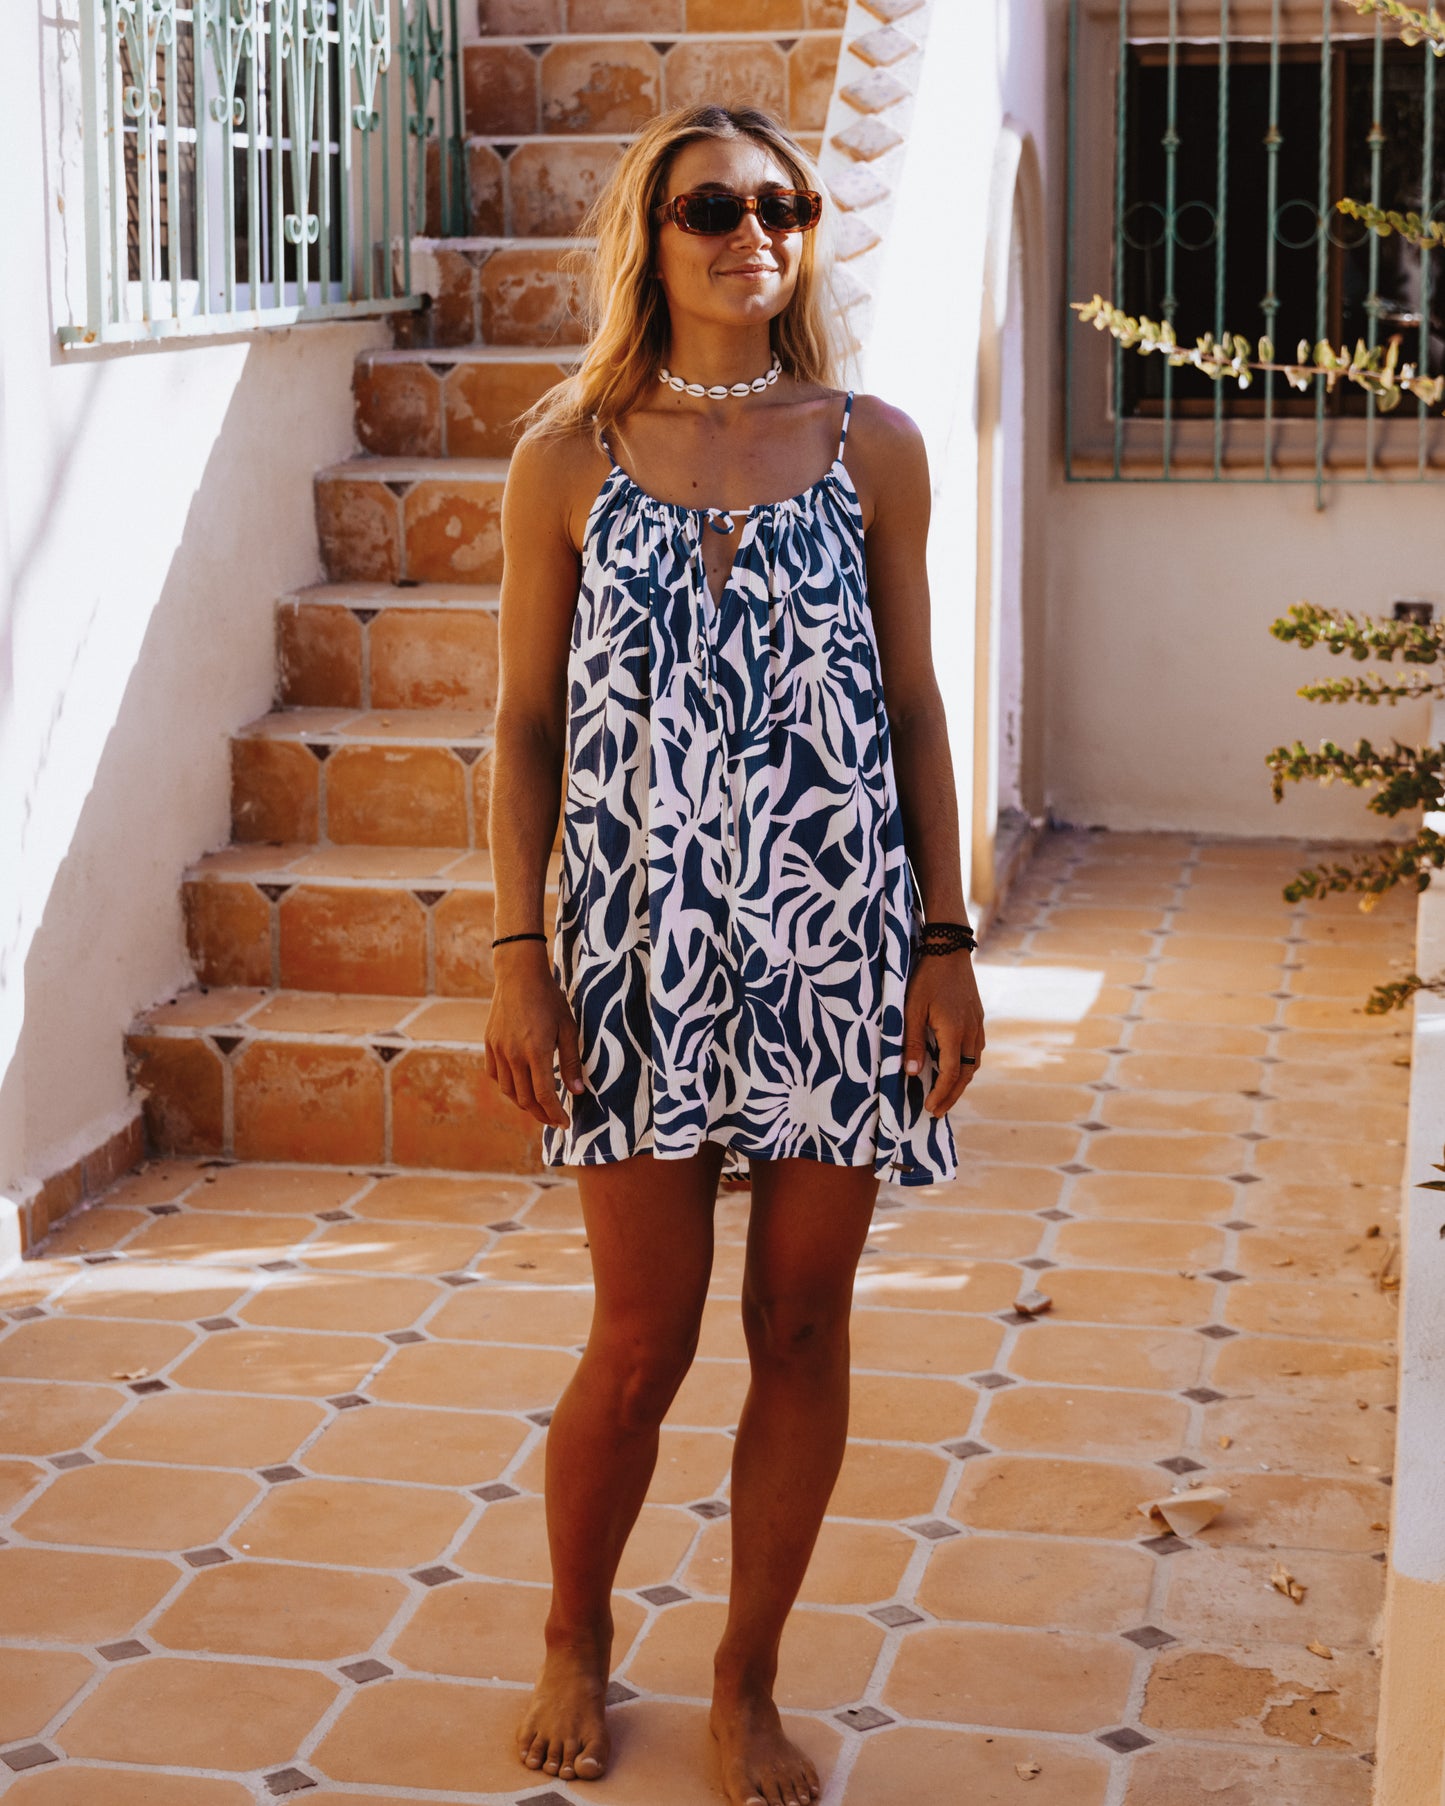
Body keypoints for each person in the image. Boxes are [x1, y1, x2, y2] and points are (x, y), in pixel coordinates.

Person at [481, 103, 986, 1806]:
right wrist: (516, 952)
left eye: (783, 204)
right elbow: (524, 726)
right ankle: (573, 1628)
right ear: (652, 232)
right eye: (711, 206)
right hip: (631, 949)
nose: (751, 231)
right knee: (641, 1337)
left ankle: (745, 1675)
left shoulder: (872, 446)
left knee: (801, 1323)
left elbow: (912, 709)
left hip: (838, 943)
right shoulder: (565, 456)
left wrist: (942, 938)